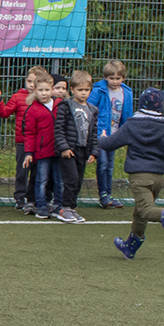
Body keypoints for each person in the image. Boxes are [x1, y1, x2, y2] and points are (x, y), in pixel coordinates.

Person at [97, 87, 164, 259]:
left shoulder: (132, 125)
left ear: (140, 104)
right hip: (158, 178)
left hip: (139, 176)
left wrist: (102, 137)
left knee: (146, 209)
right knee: (140, 212)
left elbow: (109, 144)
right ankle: (131, 245)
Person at [0, 67, 48, 211]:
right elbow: (5, 112)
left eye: (35, 82)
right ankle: (20, 197)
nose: (31, 85)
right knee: (22, 171)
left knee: (38, 172)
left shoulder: (45, 99)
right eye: (29, 81)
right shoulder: (18, 97)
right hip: (23, 142)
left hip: (41, 143)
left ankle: (35, 198)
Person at [87, 59, 133, 209]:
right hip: (101, 134)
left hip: (115, 134)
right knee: (102, 163)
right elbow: (89, 109)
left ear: (123, 78)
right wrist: (95, 130)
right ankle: (103, 195)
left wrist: (127, 133)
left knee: (110, 165)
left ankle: (108, 194)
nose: (114, 81)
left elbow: (128, 114)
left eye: (118, 78)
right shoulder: (99, 90)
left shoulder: (126, 92)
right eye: (111, 78)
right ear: (105, 77)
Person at [53, 71, 97, 223]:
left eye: (87, 90)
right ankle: (64, 208)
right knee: (71, 179)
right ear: (72, 89)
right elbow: (59, 128)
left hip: (82, 150)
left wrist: (94, 151)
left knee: (78, 181)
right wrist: (64, 147)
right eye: (80, 90)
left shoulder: (92, 110)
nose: (84, 93)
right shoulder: (66, 106)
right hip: (69, 150)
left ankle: (71, 208)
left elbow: (93, 132)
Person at [22, 76, 59, 220]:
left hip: (58, 151)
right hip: (42, 152)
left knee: (58, 180)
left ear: (52, 89)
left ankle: (58, 206)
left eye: (47, 90)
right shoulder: (33, 109)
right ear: (35, 91)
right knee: (41, 179)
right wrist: (29, 152)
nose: (44, 93)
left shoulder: (60, 105)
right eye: (41, 90)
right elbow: (29, 133)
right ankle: (41, 206)